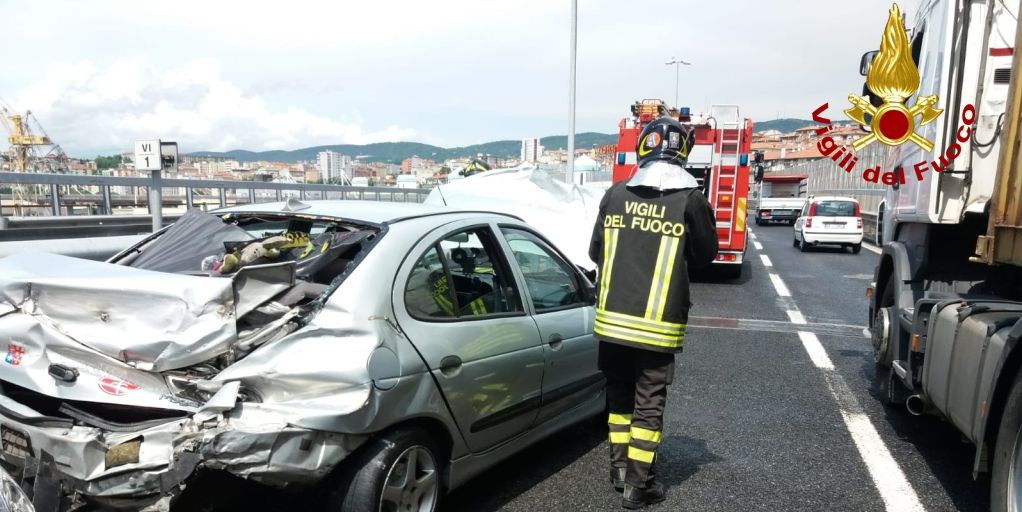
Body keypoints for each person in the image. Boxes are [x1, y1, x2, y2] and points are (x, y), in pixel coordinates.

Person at [588, 116, 718, 509]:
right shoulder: (690, 200)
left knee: (619, 399)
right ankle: (638, 485)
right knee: (648, 404)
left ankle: (618, 470)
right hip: (657, 327)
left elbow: (595, 251)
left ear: (642, 148)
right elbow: (705, 255)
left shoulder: (614, 194)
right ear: (683, 154)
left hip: (611, 322)